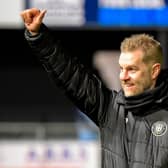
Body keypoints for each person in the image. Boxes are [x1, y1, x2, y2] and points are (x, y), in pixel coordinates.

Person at [20, 8, 168, 168]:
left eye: (132, 69)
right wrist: (39, 37)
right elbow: (73, 77)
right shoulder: (111, 109)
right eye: (121, 69)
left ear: (154, 71)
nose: (123, 77)